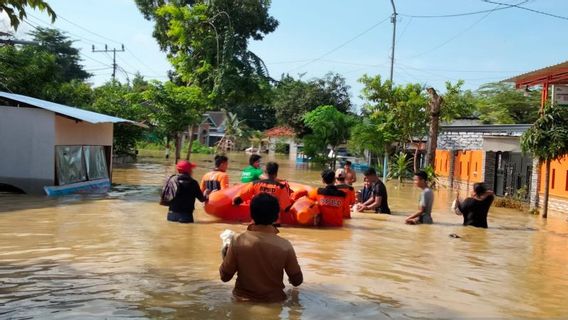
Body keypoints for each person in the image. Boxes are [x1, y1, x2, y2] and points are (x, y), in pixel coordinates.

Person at [220, 193, 303, 302]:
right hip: (274, 303)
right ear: (276, 216)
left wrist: (225, 255)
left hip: (242, 301)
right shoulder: (285, 246)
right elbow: (297, 281)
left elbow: (225, 277)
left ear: (251, 214)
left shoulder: (238, 241)